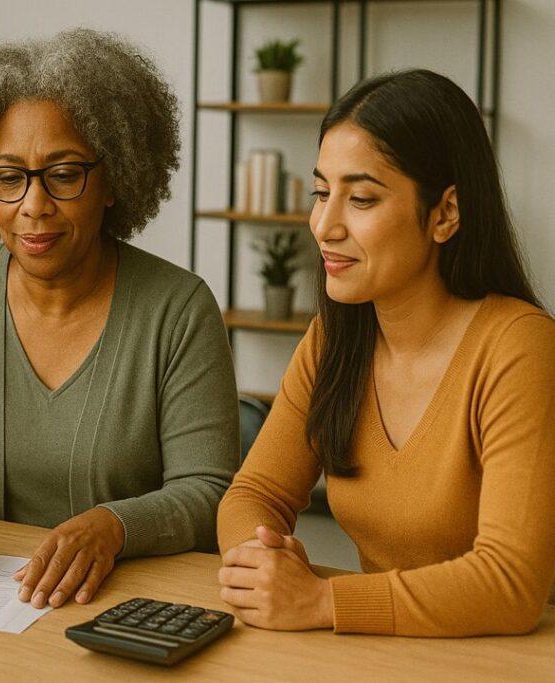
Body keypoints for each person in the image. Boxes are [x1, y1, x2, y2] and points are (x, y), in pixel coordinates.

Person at [0, 28, 239, 611]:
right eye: (9, 176)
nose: (33, 205)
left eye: (65, 174)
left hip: (126, 608)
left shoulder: (179, 310)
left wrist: (114, 527)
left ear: (114, 180)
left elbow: (211, 491)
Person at [216, 69, 555, 636]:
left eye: (363, 199)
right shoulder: (334, 340)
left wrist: (324, 602)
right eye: (322, 192)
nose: (324, 226)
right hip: (377, 653)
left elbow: (512, 584)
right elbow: (255, 493)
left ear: (445, 213)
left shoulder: (519, 346)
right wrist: (262, 560)